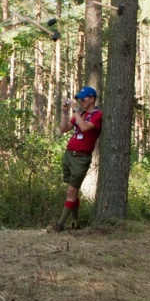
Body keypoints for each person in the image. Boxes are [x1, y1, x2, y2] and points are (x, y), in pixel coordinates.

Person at [54, 86, 102, 231]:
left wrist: (75, 111)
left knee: (71, 192)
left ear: (92, 99)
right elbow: (64, 129)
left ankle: (60, 225)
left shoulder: (97, 114)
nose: (80, 101)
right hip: (70, 155)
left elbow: (86, 128)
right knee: (72, 191)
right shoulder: (80, 113)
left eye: (83, 99)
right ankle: (75, 223)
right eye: (78, 99)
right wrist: (64, 112)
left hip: (81, 158)